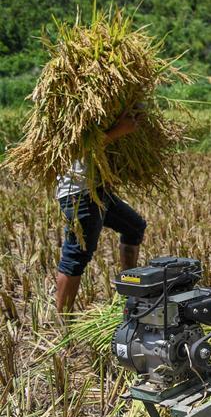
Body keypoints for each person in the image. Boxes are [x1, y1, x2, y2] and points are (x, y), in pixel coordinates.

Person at [55, 109, 147, 312]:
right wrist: (120, 130)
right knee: (76, 256)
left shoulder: (96, 108)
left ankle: (129, 293)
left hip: (97, 189)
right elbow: (80, 147)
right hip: (79, 192)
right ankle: (62, 322)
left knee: (134, 227)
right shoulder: (71, 110)